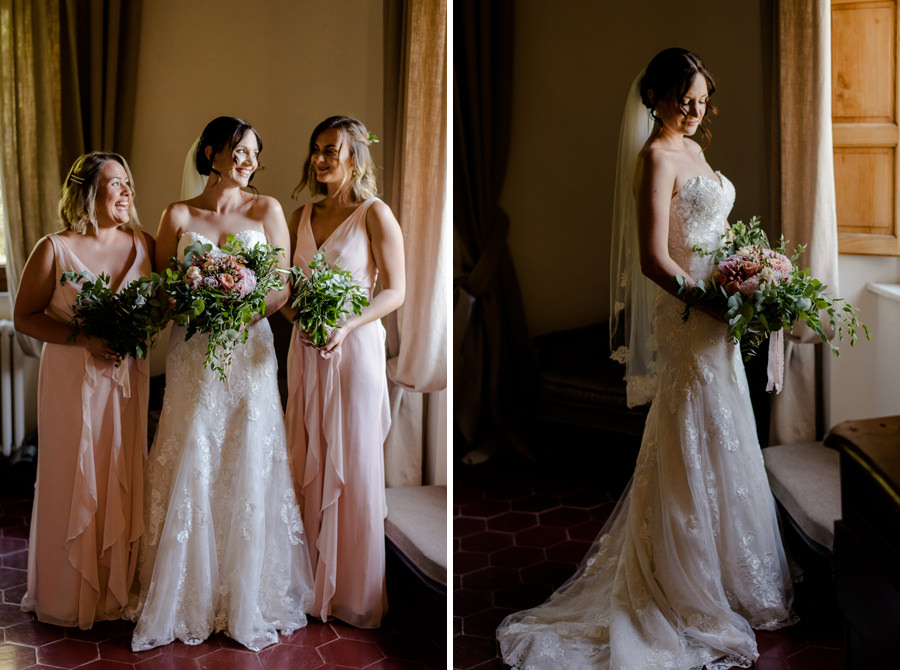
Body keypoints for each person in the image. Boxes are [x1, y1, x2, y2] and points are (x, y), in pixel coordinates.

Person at [496, 48, 796, 669]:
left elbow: (713, 236)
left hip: (720, 312)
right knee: (689, 431)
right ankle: (680, 581)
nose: (693, 111)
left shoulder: (695, 151)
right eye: (683, 99)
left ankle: (732, 575)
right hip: (692, 315)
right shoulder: (655, 157)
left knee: (725, 431)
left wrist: (752, 271)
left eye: (702, 102)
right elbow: (656, 260)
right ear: (655, 96)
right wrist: (711, 300)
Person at [127, 116, 314, 651]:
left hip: (249, 348)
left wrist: (247, 311)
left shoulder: (268, 209)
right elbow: (164, 288)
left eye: (254, 153)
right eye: (238, 150)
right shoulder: (178, 213)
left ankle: (246, 593)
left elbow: (280, 284)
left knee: (246, 452)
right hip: (193, 351)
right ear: (210, 153)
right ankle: (187, 593)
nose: (247, 161)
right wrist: (191, 297)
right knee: (193, 449)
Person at [14, 152, 153, 628]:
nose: (127, 191)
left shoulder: (145, 244)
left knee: (120, 468)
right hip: (73, 381)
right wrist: (87, 338)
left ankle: (115, 591)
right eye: (116, 184)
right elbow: (24, 317)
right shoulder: (53, 248)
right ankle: (65, 593)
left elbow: (165, 306)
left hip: (126, 382)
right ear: (87, 193)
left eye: (128, 183)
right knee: (73, 475)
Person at [282, 115, 405, 628]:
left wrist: (346, 324)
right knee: (305, 453)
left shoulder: (375, 214)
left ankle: (352, 592)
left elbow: (395, 290)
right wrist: (301, 321)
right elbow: (285, 288)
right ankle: (306, 584)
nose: (321, 158)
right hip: (306, 350)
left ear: (355, 155)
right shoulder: (301, 215)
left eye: (331, 149)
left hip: (354, 353)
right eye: (316, 149)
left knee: (350, 462)